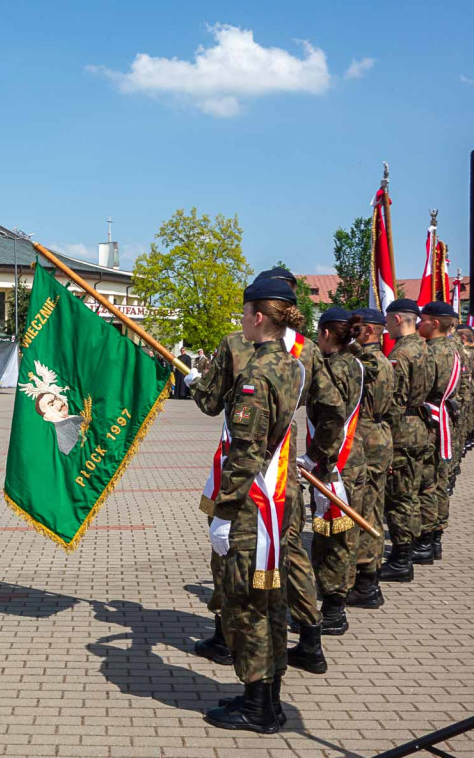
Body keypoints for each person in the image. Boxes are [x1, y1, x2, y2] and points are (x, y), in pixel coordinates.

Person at [188, 266, 342, 677]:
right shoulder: (306, 351)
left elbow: (209, 403)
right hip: (285, 473)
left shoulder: (240, 346)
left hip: (248, 479)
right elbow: (332, 410)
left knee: (238, 565)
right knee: (287, 557)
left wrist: (194, 380)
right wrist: (319, 457)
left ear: (260, 312)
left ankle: (230, 641)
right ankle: (310, 637)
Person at [203, 278, 305, 734]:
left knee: (247, 604)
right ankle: (267, 698)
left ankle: (257, 706)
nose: (241, 322)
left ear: (258, 316)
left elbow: (245, 454)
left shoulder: (256, 375)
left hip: (252, 506)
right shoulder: (291, 365)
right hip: (279, 498)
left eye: (244, 314)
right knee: (270, 599)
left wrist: (223, 511)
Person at [309, 308, 366, 637]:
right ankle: (336, 603)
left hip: (335, 461)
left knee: (331, 535)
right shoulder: (355, 363)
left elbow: (331, 419)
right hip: (352, 454)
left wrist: (313, 456)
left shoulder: (332, 368)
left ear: (327, 333)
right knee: (344, 533)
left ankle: (332, 609)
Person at [379, 299, 433, 583]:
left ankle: (401, 559)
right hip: (419, 427)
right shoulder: (424, 347)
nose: (385, 326)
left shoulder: (402, 353)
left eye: (387, 320)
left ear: (398, 318)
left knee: (399, 497)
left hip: (401, 431)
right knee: (410, 493)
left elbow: (394, 401)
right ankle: (407, 552)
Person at [346, 308, 395, 609]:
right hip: (380, 433)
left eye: (354, 328)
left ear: (367, 331)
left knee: (359, 511)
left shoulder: (363, 363)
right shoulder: (385, 361)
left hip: (363, 435)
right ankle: (369, 578)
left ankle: (361, 580)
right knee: (373, 508)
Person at [415, 301, 460, 564]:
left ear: (434, 323)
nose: (418, 323)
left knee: (426, 483)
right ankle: (434, 540)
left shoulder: (430, 353)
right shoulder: (453, 349)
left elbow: (417, 392)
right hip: (442, 421)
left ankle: (424, 541)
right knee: (439, 480)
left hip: (429, 422)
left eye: (423, 319)